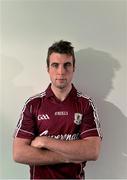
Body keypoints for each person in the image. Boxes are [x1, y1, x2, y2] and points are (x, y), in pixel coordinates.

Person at [13, 40, 102, 179]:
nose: (61, 72)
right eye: (55, 65)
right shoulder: (33, 104)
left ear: (74, 68)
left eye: (67, 65)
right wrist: (68, 157)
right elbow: (19, 153)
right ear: (48, 68)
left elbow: (92, 151)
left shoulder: (85, 104)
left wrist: (45, 141)